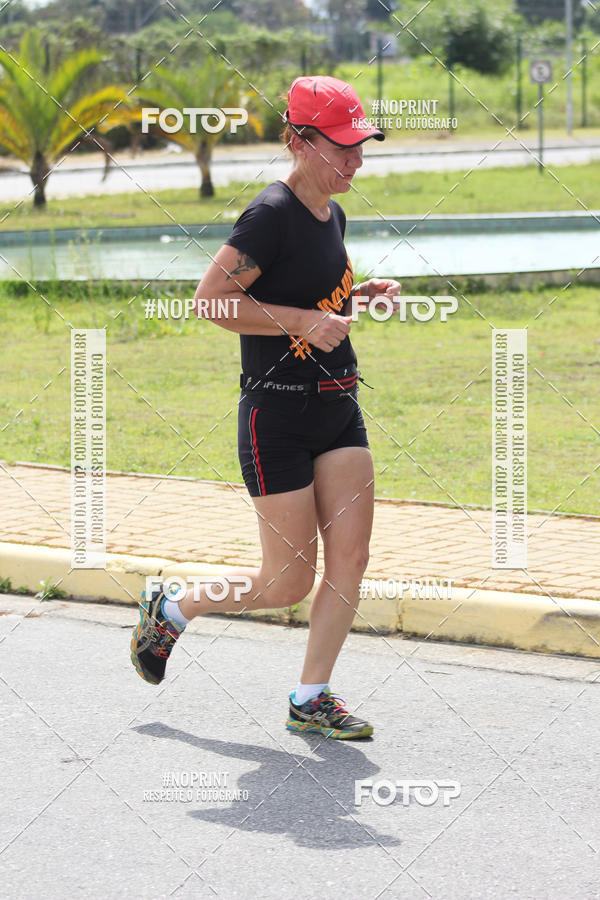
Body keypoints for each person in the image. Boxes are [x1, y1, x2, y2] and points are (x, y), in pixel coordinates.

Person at [131, 75, 400, 740]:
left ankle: (311, 698)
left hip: (339, 407)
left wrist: (353, 298)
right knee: (284, 583)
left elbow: (308, 297)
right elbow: (213, 302)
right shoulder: (269, 213)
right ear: (300, 141)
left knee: (353, 559)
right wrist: (303, 321)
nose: (355, 161)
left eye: (361, 146)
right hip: (275, 419)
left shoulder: (331, 214)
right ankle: (173, 607)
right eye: (343, 148)